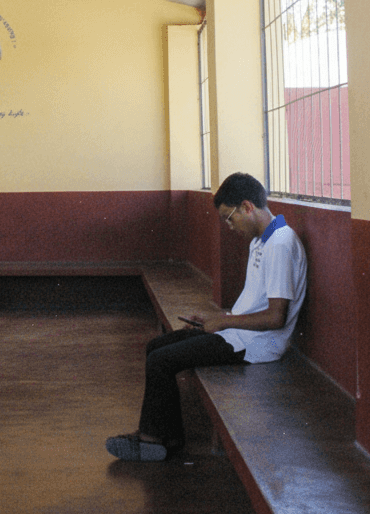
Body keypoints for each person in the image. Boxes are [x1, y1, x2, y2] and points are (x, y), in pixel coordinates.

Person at [106, 172, 307, 461]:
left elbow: (276, 318)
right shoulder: (261, 241)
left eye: (230, 218)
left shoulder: (279, 245)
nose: (229, 226)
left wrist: (223, 322)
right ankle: (168, 435)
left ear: (247, 207)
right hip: (239, 333)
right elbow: (254, 305)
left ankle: (151, 440)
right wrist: (218, 317)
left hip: (258, 344)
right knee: (156, 347)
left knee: (161, 360)